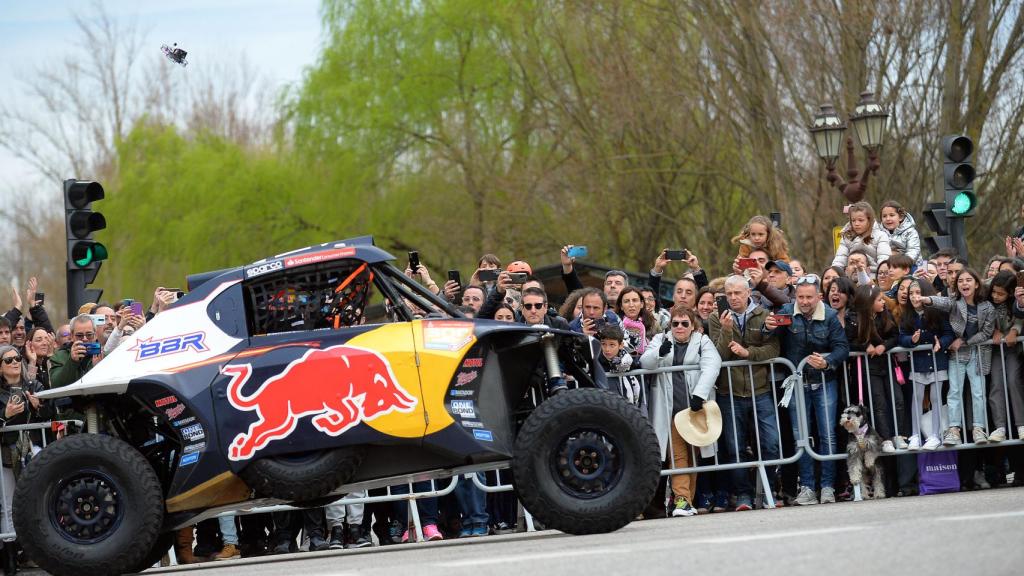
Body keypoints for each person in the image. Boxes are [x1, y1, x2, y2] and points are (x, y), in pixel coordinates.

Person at [767, 275, 850, 505]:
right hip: (796, 383)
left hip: (825, 383)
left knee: (828, 435)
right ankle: (807, 488)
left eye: (809, 297)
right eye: (800, 297)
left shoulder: (831, 316)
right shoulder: (785, 311)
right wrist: (768, 327)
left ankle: (827, 487)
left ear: (818, 297)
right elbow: (770, 340)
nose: (804, 301)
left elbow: (843, 348)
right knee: (800, 437)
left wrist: (828, 361)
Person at [708, 276, 781, 511]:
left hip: (760, 389)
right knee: (735, 447)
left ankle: (769, 489)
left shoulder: (763, 314)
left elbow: (773, 348)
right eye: (729, 294)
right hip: (730, 392)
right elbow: (718, 356)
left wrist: (748, 353)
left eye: (738, 293)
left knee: (770, 444)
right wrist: (727, 331)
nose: (733, 298)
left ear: (748, 292)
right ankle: (743, 495)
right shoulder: (716, 317)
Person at [641, 305, 721, 518]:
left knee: (692, 458)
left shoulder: (702, 341)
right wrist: (659, 353)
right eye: (675, 323)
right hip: (671, 412)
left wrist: (699, 395)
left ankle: (684, 501)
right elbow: (645, 363)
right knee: (677, 457)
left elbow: (713, 364)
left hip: (694, 410)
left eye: (684, 323)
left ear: (692, 325)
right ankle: (682, 500)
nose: (679, 327)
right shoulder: (660, 339)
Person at [916, 268, 995, 446]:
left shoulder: (987, 307)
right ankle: (953, 429)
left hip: (977, 354)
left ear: (976, 284)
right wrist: (926, 299)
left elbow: (987, 332)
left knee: (978, 392)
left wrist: (964, 341)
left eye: (968, 280)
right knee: (954, 392)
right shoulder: (954, 303)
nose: (964, 284)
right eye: (960, 281)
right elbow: (942, 302)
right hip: (957, 356)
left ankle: (978, 428)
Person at [847, 285, 906, 453]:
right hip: (868, 368)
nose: (883, 302)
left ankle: (899, 435)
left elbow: (895, 336)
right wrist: (864, 346)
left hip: (887, 365)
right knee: (879, 403)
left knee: (898, 399)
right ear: (868, 302)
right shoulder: (854, 318)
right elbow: (848, 341)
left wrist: (884, 346)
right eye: (879, 300)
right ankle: (885, 438)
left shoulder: (885, 315)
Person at [899, 280, 954, 450]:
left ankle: (935, 435)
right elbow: (902, 336)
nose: (914, 297)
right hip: (918, 362)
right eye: (911, 294)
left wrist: (941, 344)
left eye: (917, 293)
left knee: (936, 398)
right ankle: (915, 435)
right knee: (917, 397)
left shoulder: (937, 312)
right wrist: (911, 340)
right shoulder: (907, 315)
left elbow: (948, 334)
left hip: (937, 361)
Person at [0, 344, 49, 536]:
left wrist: (39, 406)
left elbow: (50, 413)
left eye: (17, 359)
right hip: (5, 452)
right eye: (8, 360)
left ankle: (37, 548)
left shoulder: (34, 385)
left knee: (38, 500)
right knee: (8, 503)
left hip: (33, 448)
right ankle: (11, 556)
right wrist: (5, 413)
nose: (14, 363)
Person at [987, 271, 1022, 442]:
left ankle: (1021, 425)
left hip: (1013, 348)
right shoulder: (987, 301)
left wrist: (1015, 331)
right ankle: (1000, 427)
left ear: (1010, 293)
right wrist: (993, 331)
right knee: (996, 384)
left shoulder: (1016, 302)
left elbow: (1020, 318)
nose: (995, 296)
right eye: (994, 291)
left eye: (1000, 293)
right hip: (995, 349)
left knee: (1014, 380)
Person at [832, 201, 891, 271]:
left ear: (869, 220)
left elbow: (884, 261)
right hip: (852, 276)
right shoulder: (847, 237)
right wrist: (834, 273)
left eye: (861, 220)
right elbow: (839, 260)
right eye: (853, 220)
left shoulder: (881, 236)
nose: (856, 224)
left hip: (873, 275)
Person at [49, 315, 102, 388]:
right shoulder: (60, 356)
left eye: (89, 335)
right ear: (72, 336)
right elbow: (56, 384)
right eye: (79, 335)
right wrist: (72, 361)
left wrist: (97, 368)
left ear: (95, 335)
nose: (85, 339)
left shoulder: (103, 354)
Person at [597, 325, 641, 405]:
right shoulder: (597, 360)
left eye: (612, 345)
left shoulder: (627, 358)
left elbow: (632, 364)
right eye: (603, 344)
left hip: (629, 403)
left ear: (620, 345)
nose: (607, 349)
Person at [616, 287, 656, 357]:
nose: (631, 305)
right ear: (621, 306)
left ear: (642, 304)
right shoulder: (614, 324)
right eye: (626, 301)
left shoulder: (651, 324)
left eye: (635, 300)